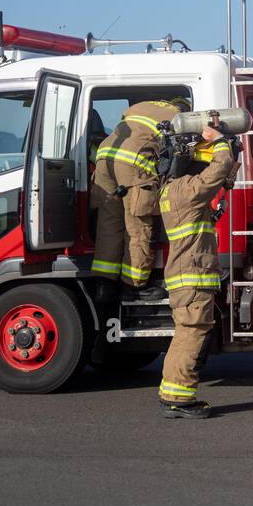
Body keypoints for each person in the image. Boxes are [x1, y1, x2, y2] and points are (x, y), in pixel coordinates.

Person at [156, 120, 234, 418]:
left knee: (188, 331)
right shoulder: (185, 191)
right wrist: (219, 142)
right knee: (191, 333)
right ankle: (178, 399)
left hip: (188, 275)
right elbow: (219, 167)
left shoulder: (172, 191)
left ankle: (174, 395)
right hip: (192, 276)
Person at [90, 97, 190, 299]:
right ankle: (134, 285)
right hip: (132, 163)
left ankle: (104, 283)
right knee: (137, 226)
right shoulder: (180, 118)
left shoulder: (139, 107)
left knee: (109, 223)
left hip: (104, 158)